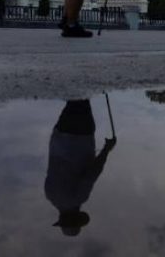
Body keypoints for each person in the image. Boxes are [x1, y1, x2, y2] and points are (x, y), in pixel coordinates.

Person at [44, 99, 116, 237]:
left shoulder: (79, 198)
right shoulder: (49, 195)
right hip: (60, 133)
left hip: (82, 137)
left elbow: (92, 173)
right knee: (73, 98)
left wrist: (107, 149)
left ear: (77, 216)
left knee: (83, 96)